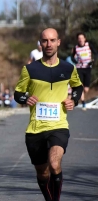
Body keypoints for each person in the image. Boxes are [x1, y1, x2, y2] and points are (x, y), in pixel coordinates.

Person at [14, 28, 83, 201]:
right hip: (35, 130)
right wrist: (25, 98)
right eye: (45, 41)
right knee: (43, 173)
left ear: (58, 42)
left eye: (52, 40)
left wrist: (73, 100)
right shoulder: (30, 69)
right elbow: (18, 93)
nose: (48, 44)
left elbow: (78, 86)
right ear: (40, 43)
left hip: (58, 126)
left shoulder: (68, 68)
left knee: (54, 164)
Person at [71, 32, 98, 110]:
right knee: (80, 86)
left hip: (88, 68)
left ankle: (82, 97)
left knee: (86, 89)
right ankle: (83, 103)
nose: (80, 40)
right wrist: (76, 62)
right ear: (77, 40)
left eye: (82, 38)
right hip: (79, 68)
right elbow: (72, 57)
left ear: (84, 39)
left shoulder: (88, 45)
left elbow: (96, 54)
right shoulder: (76, 48)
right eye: (79, 38)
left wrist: (93, 61)